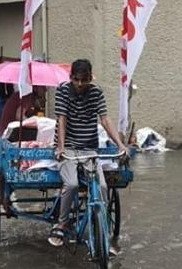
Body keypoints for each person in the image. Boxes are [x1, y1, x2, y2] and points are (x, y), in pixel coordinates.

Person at [49, 59, 128, 247]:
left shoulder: (96, 92)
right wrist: (60, 147)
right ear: (71, 78)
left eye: (84, 80)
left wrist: (120, 144)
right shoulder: (62, 91)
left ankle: (100, 226)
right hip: (67, 147)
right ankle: (62, 223)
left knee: (101, 186)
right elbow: (62, 119)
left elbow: (105, 119)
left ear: (90, 79)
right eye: (76, 80)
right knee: (72, 184)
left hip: (89, 148)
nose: (79, 84)